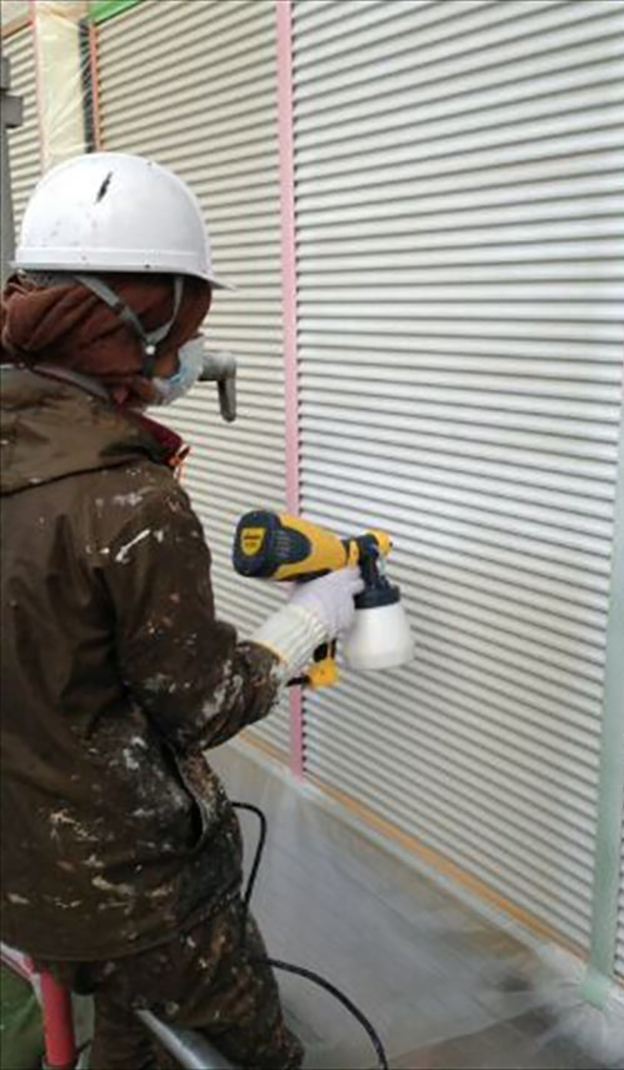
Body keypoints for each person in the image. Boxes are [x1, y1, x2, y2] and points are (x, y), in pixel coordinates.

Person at [0, 152, 363, 1069]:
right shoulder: (129, 502)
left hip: (16, 864)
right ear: (145, 315)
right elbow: (198, 705)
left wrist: (137, 384)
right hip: (129, 893)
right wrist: (299, 631)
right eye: (187, 316)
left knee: (135, 1043)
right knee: (244, 1054)